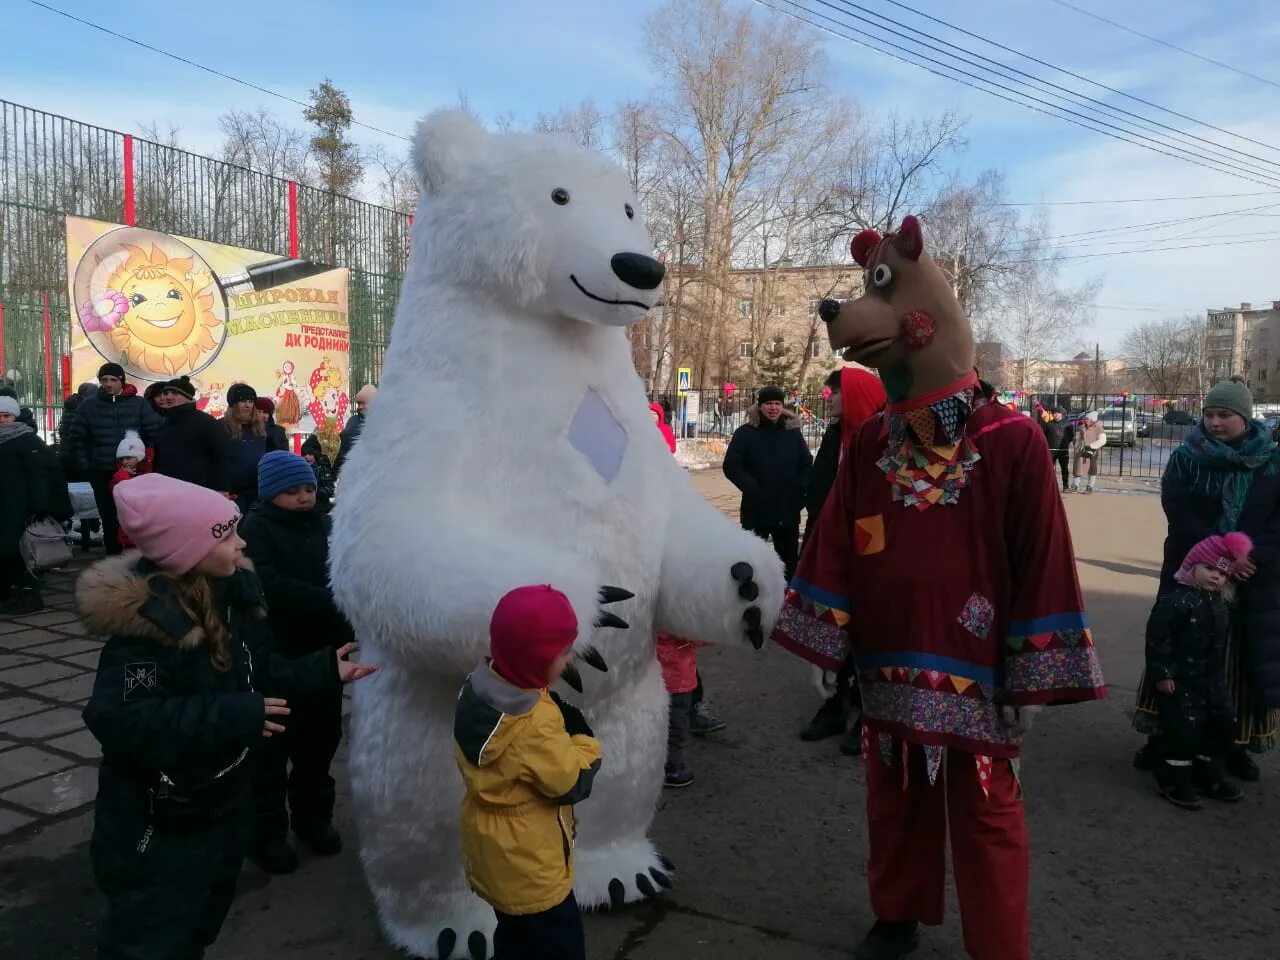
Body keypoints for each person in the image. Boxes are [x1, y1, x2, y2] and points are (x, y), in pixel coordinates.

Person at [773, 216, 1104, 960]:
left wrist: (1031, 671)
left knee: (987, 811)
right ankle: (896, 914)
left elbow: (1043, 557)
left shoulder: (1011, 440)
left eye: (882, 291)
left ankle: (998, 944)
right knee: (893, 801)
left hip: (980, 671)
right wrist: (828, 635)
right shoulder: (869, 442)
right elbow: (835, 539)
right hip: (887, 663)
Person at [78, 473, 376, 960]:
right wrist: (236, 714)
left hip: (217, 808)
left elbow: (257, 672)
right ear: (186, 551)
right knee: (153, 938)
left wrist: (322, 669)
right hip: (161, 825)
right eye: (225, 534)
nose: (241, 542)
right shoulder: (148, 632)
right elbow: (121, 720)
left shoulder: (231, 597)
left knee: (198, 924)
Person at [1133, 377, 1280, 782]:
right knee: (1180, 652)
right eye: (1209, 414)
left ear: (1245, 418)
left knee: (1241, 661)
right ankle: (1166, 738)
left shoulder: (1273, 461)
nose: (1214, 422)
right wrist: (1215, 554)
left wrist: (1251, 555)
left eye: (1225, 415)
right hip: (1191, 569)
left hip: (1255, 576)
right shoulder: (1186, 457)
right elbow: (1177, 508)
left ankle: (1234, 745)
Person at [453, 585, 602, 960]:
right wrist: (584, 740)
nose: (569, 660)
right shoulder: (533, 723)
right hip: (531, 863)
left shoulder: (480, 685)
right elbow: (570, 782)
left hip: (493, 853)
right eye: (564, 652)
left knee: (514, 934)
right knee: (559, 945)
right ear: (536, 660)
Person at [240, 451, 355, 873]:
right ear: (271, 494)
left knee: (319, 746)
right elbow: (269, 583)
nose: (304, 497)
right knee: (271, 756)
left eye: (308, 488)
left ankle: (314, 820)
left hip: (324, 655)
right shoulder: (256, 529)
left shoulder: (326, 524)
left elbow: (343, 568)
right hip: (278, 653)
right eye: (292, 491)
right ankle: (267, 834)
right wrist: (330, 600)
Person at [800, 366, 886, 749]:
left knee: (870, 635)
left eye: (836, 392)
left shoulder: (883, 439)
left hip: (870, 555)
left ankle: (869, 717)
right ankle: (833, 708)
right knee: (833, 629)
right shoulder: (837, 435)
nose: (829, 397)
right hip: (832, 544)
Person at [1144, 532, 1250, 809]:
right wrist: (1163, 673)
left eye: (1223, 573)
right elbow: (1158, 640)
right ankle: (1172, 778)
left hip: (1212, 680)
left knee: (1220, 724)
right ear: (1192, 565)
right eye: (1209, 568)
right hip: (1181, 681)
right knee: (1182, 730)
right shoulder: (1174, 601)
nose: (1216, 576)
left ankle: (1207, 771)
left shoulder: (1220, 604)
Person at [67, 363, 162, 556]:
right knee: (108, 516)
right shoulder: (88, 405)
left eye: (113, 379)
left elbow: (153, 433)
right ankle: (112, 555)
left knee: (134, 515)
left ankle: (136, 555)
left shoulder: (139, 404)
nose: (109, 384)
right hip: (101, 471)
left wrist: (142, 461)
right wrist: (87, 466)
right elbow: (77, 438)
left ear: (121, 381)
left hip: (134, 472)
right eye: (104, 380)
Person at [722, 384, 813, 581]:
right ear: (760, 406)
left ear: (783, 406)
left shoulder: (792, 433)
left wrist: (800, 490)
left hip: (787, 509)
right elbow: (732, 466)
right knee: (752, 562)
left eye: (777, 403)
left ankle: (786, 602)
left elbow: (806, 464)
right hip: (756, 509)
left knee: (788, 562)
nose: (773, 408)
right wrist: (753, 488)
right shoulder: (746, 433)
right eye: (769, 403)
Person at [0, 396, 72, 615]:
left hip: (22, 507)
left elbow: (43, 476)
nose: (2, 421)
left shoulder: (27, 441)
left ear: (15, 416)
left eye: (6, 416)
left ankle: (26, 595)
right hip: (5, 505)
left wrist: (41, 507)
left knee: (19, 552)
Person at [151, 376, 232, 493]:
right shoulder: (164, 424)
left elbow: (222, 457)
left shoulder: (206, 422)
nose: (168, 397)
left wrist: (222, 488)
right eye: (166, 393)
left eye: (175, 393)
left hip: (199, 490)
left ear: (187, 396)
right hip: (167, 490)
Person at [223, 383, 277, 507]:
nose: (247, 405)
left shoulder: (260, 429)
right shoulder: (221, 427)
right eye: (243, 401)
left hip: (258, 493)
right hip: (231, 495)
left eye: (250, 401)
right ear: (234, 404)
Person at [109, 431, 148, 551]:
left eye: (128, 458)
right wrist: (122, 475)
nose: (124, 462)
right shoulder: (120, 475)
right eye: (122, 458)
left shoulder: (147, 475)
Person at [334, 383, 376, 474]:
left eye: (363, 403)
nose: (360, 407)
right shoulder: (352, 420)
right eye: (358, 403)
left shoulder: (381, 421)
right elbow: (344, 448)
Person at [1070, 411, 1106, 493]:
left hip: (1092, 451)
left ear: (1093, 420)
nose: (1086, 420)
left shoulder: (1098, 428)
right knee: (1078, 468)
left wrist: (1092, 446)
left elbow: (1103, 440)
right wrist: (1077, 446)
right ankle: (1075, 485)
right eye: (1085, 419)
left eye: (1088, 419)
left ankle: (1090, 486)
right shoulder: (1082, 427)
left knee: (1091, 469)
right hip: (1082, 450)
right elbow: (1079, 438)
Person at [300, 435, 337, 512]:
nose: (306, 457)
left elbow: (330, 486)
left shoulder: (322, 468)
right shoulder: (300, 469)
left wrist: (321, 493)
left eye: (310, 454)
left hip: (321, 505)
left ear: (316, 455)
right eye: (304, 454)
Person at [1041, 408, 1072, 493]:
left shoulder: (1068, 425)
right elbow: (1045, 436)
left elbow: (1071, 436)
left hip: (1063, 450)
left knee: (1064, 468)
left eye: (1058, 413)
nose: (1056, 414)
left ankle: (1066, 486)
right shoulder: (1049, 425)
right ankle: (1051, 486)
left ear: (1062, 414)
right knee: (1050, 469)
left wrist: (1064, 444)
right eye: (1054, 413)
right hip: (1051, 450)